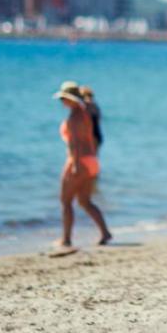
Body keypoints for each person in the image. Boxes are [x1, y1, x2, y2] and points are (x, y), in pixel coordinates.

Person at [54, 82, 111, 247]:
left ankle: (66, 239)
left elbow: (76, 143)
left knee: (65, 201)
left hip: (78, 161)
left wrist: (76, 165)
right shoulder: (86, 113)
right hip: (92, 160)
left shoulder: (74, 117)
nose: (62, 102)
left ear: (71, 99)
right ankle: (105, 232)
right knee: (85, 201)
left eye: (64, 98)